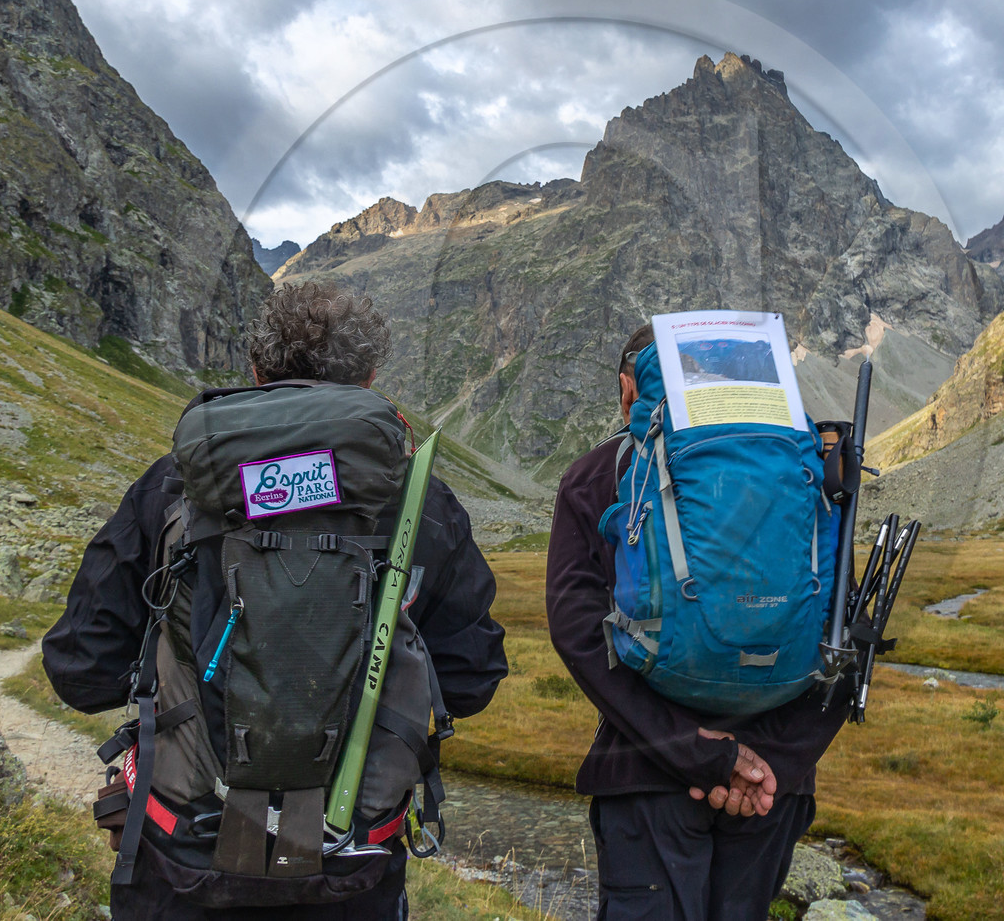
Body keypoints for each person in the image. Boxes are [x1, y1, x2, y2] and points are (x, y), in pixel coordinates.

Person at [44, 280, 509, 921]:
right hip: (352, 867)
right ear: (370, 376)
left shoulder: (170, 488)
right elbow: (472, 681)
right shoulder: (422, 501)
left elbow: (81, 672)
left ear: (256, 371)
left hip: (184, 853)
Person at [546, 323, 853, 920]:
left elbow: (578, 634)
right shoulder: (800, 468)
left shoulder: (594, 475)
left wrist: (700, 757)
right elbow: (843, 629)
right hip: (773, 791)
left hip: (647, 776)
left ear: (628, 386)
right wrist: (769, 767)